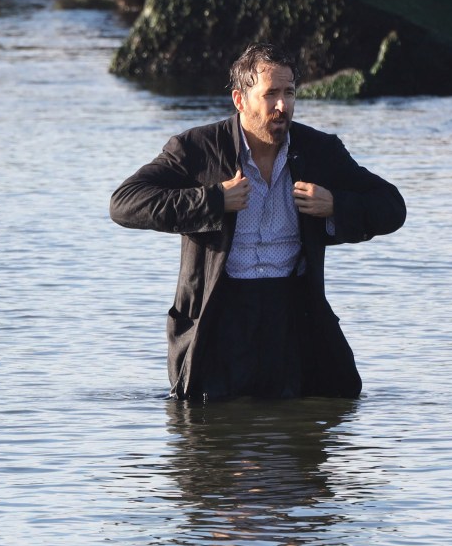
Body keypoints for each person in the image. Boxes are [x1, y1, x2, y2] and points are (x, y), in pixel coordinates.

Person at [110, 42, 406, 401]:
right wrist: (212, 200)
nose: (282, 106)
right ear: (240, 100)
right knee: (212, 443)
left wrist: (336, 205)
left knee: (309, 434)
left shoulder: (319, 151)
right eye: (271, 95)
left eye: (290, 93)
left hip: (294, 317)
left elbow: (392, 207)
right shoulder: (197, 149)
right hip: (219, 319)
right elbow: (124, 203)